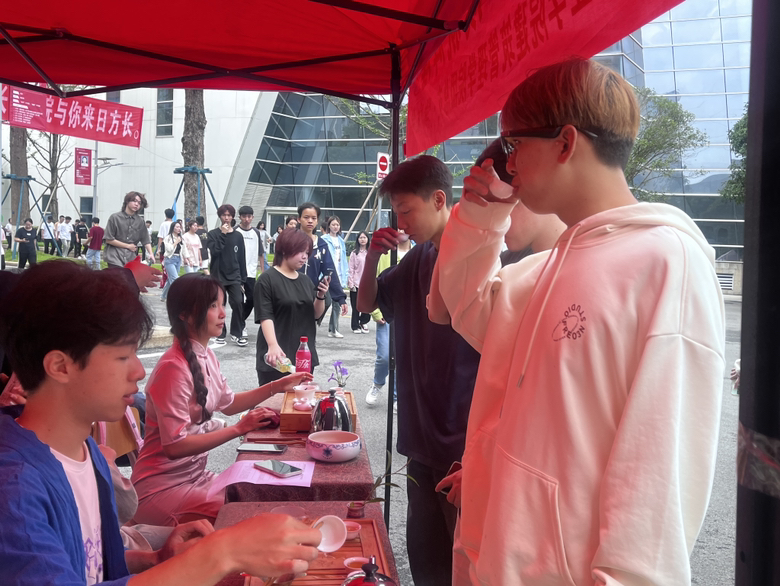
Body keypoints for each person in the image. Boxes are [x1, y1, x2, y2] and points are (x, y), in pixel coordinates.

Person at [430, 58, 726, 586]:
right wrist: (482, 211)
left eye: (513, 144)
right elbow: (467, 305)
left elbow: (657, 477)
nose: (508, 163)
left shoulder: (667, 263)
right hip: (493, 562)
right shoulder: (544, 270)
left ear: (565, 143)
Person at [0, 261, 322, 585]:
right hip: (166, 489)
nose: (140, 372)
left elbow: (90, 560)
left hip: (189, 481)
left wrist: (154, 559)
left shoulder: (85, 451)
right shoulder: (15, 490)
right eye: (123, 356)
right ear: (60, 366)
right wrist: (221, 552)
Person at [356, 155, 481, 586]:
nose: (402, 222)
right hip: (419, 436)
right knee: (425, 557)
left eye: (407, 210)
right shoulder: (418, 258)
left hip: (462, 443)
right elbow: (366, 303)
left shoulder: (479, 257)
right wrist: (373, 255)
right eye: (396, 212)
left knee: (464, 563)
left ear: (439, 200)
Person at [132, 273, 313, 525]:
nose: (222, 313)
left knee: (259, 492)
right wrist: (239, 428)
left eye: (222, 304)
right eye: (212, 305)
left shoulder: (206, 356)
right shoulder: (173, 368)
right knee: (250, 515)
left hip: (194, 478)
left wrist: (277, 386)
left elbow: (228, 404)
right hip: (161, 488)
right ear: (184, 314)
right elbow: (175, 446)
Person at [254, 228, 329, 386]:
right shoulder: (267, 279)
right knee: (274, 400)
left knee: (302, 399)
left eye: (307, 252)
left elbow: (315, 315)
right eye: (300, 251)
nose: (305, 257)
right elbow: (265, 316)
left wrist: (320, 295)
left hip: (303, 355)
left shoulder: (305, 280)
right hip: (277, 357)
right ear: (285, 249)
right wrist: (273, 345)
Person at [365, 234, 411, 407]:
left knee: (403, 357)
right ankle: (377, 383)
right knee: (384, 355)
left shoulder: (418, 251)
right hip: (387, 311)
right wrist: (377, 312)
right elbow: (373, 282)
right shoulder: (386, 253)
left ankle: (397, 395)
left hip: (408, 314)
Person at [297, 203, 347, 334]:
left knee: (306, 336)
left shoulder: (321, 244)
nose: (310, 221)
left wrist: (341, 298)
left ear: (317, 221)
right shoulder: (289, 241)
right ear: (299, 219)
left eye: (313, 218)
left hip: (310, 294)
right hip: (289, 293)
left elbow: (329, 271)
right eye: (306, 217)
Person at [207, 204, 247, 347]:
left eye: (229, 215)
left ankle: (237, 333)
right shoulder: (213, 234)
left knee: (238, 302)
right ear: (220, 216)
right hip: (218, 275)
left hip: (234, 275)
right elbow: (215, 251)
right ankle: (220, 333)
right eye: (224, 215)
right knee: (219, 305)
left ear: (232, 217)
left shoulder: (238, 236)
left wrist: (243, 279)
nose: (227, 218)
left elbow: (241, 258)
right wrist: (223, 235)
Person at [104, 191, 154, 269]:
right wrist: (128, 246)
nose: (136, 204)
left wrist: (151, 254)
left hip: (130, 258)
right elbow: (109, 239)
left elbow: (146, 240)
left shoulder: (140, 221)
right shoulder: (115, 218)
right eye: (134, 201)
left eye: (139, 203)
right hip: (114, 257)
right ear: (127, 201)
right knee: (118, 275)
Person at [237, 206, 262, 335]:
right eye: (244, 216)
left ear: (252, 217)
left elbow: (261, 253)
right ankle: (240, 327)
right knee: (238, 301)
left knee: (252, 299)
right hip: (237, 273)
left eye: (249, 216)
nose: (246, 219)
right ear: (239, 217)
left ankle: (239, 321)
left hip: (251, 273)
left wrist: (263, 271)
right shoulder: (235, 231)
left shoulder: (256, 232)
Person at [321, 215, 348, 338]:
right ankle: (315, 320)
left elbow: (344, 260)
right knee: (325, 302)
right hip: (326, 275)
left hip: (339, 275)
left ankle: (333, 329)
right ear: (329, 226)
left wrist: (345, 276)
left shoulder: (341, 241)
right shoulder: (323, 239)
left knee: (337, 303)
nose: (335, 227)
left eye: (337, 225)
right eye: (333, 224)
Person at [347, 231, 371, 334]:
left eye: (364, 237)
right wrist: (351, 283)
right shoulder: (354, 253)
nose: (362, 239)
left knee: (367, 305)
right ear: (358, 240)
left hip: (368, 283)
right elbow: (351, 269)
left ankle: (363, 321)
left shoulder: (371, 252)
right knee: (356, 306)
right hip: (356, 282)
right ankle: (355, 326)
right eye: (360, 237)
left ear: (368, 239)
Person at [160, 220, 185, 302]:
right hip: (170, 259)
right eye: (177, 227)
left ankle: (163, 296)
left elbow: (184, 250)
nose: (179, 229)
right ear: (173, 228)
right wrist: (176, 242)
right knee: (175, 279)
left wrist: (187, 258)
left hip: (178, 259)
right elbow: (169, 249)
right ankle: (176, 297)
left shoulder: (181, 238)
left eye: (180, 227)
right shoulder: (168, 238)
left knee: (170, 279)